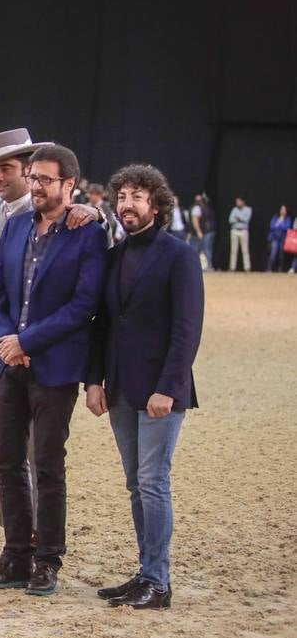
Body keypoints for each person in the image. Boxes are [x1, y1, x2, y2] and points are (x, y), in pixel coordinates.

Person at [0, 144, 107, 597]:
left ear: (69, 184)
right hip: (9, 363)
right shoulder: (14, 227)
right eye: (32, 178)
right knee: (6, 462)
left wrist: (27, 341)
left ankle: (47, 559)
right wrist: (10, 340)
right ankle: (15, 554)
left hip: (54, 368)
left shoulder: (87, 233)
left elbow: (84, 306)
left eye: (44, 180)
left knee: (48, 465)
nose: (34, 187)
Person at [85, 164, 203, 610]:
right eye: (121, 197)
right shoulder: (113, 255)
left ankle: (159, 581)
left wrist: (168, 388)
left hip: (160, 392)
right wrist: (93, 380)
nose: (126, 204)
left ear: (156, 203)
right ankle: (145, 573)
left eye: (136, 196)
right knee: (137, 483)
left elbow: (187, 330)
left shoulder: (179, 256)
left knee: (154, 482)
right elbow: (102, 326)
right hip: (118, 388)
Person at [190, 193, 216, 271]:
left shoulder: (207, 208)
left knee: (207, 249)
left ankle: (208, 265)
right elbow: (195, 221)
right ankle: (206, 265)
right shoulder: (197, 208)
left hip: (210, 231)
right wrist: (199, 231)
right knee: (204, 249)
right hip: (204, 232)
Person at [228, 197, 252, 271]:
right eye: (236, 202)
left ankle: (247, 268)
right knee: (233, 250)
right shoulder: (234, 210)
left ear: (243, 202)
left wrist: (238, 218)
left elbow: (246, 219)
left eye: (239, 201)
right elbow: (230, 220)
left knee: (245, 250)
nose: (237, 203)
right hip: (234, 230)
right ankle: (232, 268)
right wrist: (241, 219)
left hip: (244, 231)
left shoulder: (248, 209)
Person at [267, 205, 291, 272]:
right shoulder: (275, 217)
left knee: (281, 255)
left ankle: (280, 269)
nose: (283, 211)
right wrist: (279, 223)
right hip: (274, 239)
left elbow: (286, 228)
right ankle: (269, 268)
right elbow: (272, 226)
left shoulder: (288, 219)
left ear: (286, 211)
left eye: (284, 210)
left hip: (283, 239)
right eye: (282, 209)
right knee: (273, 254)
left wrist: (279, 225)